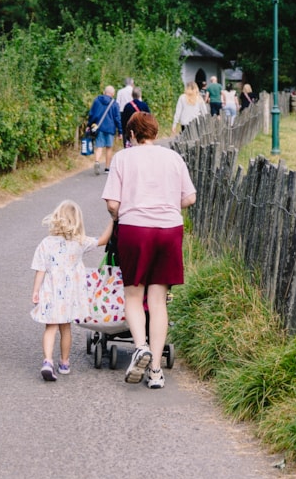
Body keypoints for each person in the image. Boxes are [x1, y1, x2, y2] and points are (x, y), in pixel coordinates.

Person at [102, 112, 196, 389]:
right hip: (169, 230)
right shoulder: (173, 158)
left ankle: (140, 347)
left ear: (131, 135)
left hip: (135, 230)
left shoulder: (122, 158)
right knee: (158, 301)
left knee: (133, 294)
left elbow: (112, 204)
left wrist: (123, 212)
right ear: (155, 133)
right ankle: (156, 369)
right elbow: (189, 197)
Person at [31, 199, 111, 381]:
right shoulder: (80, 242)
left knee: (50, 327)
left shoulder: (46, 243)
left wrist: (36, 290)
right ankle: (64, 362)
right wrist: (113, 219)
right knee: (65, 328)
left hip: (50, 292)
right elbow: (103, 240)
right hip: (69, 296)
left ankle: (47, 361)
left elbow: (40, 269)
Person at [87, 85, 121, 175]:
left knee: (99, 147)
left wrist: (89, 125)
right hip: (110, 128)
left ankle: (97, 161)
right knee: (109, 148)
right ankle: (107, 168)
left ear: (104, 92)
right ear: (113, 94)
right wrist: (120, 131)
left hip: (99, 127)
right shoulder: (114, 104)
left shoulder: (97, 101)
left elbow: (92, 114)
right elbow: (117, 118)